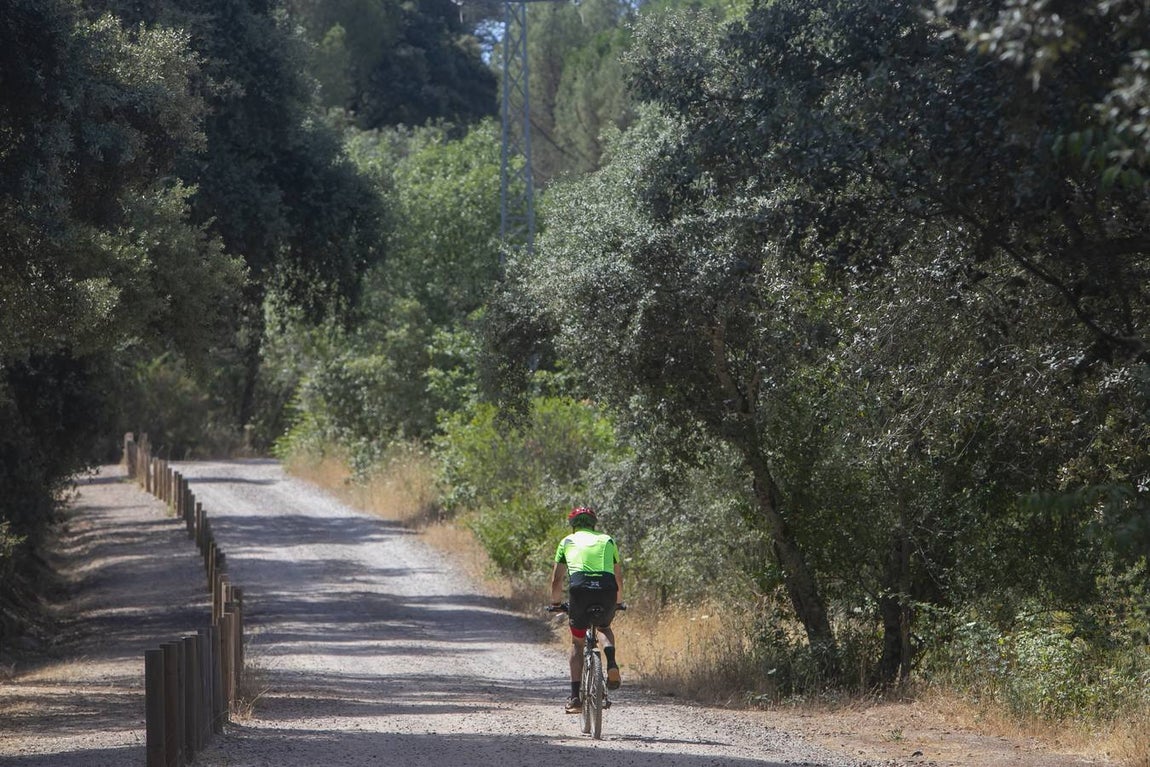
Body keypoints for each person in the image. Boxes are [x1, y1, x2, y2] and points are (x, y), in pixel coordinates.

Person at [550, 506, 623, 714]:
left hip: (580, 590)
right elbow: (618, 577)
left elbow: (557, 580)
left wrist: (556, 604)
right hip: (607, 589)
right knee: (604, 627)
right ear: (594, 524)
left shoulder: (567, 541)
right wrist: (618, 602)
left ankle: (575, 699)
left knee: (577, 642)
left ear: (573, 526)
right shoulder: (608, 540)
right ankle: (611, 662)